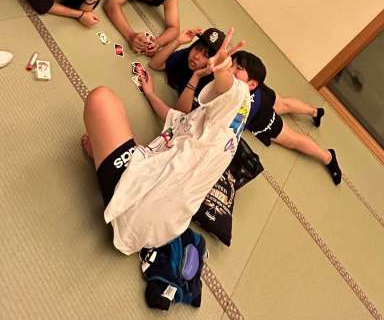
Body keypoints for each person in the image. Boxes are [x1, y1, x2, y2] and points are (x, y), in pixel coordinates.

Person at [82, 28, 249, 255]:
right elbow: (177, 117)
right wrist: (150, 93)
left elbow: (230, 89)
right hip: (164, 228)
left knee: (101, 99)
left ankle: (105, 166)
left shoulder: (234, 102)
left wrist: (220, 69)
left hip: (134, 205)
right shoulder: (219, 131)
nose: (203, 58)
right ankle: (106, 159)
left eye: (235, 68)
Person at [230, 50, 342, 185]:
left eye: (237, 68)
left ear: (252, 83)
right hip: (261, 92)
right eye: (232, 64)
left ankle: (328, 157)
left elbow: (233, 128)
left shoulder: (245, 106)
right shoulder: (251, 82)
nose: (230, 69)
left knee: (293, 139)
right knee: (283, 104)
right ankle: (315, 112)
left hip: (261, 114)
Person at [149, 27, 234, 111]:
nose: (196, 56)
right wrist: (178, 41)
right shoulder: (186, 54)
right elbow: (155, 64)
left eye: (206, 55)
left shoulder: (211, 84)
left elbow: (180, 113)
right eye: (197, 48)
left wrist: (196, 76)